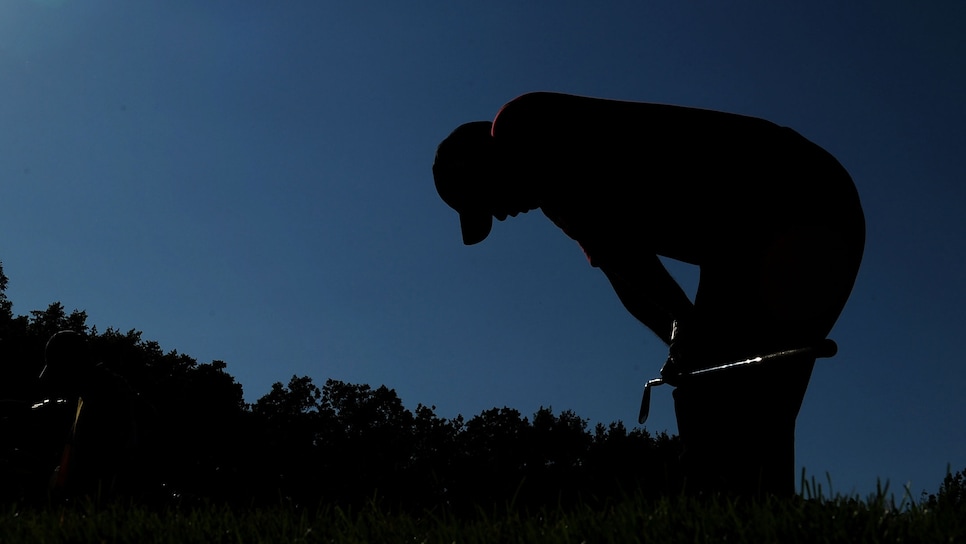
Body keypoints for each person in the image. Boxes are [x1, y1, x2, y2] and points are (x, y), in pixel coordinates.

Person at [432, 92, 865, 497]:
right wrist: (683, 340)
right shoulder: (559, 197)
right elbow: (629, 282)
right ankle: (756, 518)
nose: (501, 216)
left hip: (790, 196)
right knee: (747, 404)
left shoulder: (523, 125)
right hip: (759, 227)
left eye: (486, 201)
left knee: (731, 400)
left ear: (484, 162)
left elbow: (623, 250)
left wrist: (688, 330)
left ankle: (731, 513)